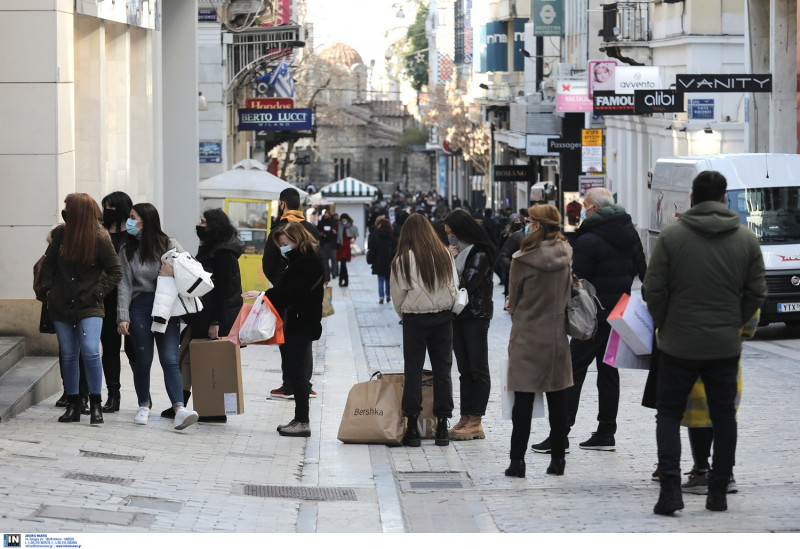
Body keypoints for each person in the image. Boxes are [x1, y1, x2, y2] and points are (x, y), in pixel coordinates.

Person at [643, 170, 766, 515]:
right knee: (724, 417)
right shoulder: (745, 240)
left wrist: (667, 323)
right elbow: (757, 292)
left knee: (667, 414)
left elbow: (653, 290)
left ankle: (670, 490)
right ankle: (718, 492)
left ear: (692, 199)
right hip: (723, 346)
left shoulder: (671, 237)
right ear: (724, 199)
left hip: (677, 345)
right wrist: (735, 325)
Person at [530, 187, 646, 454]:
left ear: (594, 208)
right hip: (619, 313)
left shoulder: (589, 240)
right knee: (608, 372)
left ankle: (560, 434)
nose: (582, 209)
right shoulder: (631, 235)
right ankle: (606, 432)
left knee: (571, 372)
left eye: (585, 205)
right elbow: (644, 272)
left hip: (591, 317)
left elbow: (574, 279)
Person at [503, 205, 573, 478]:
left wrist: (512, 305)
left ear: (538, 225)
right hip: (556, 335)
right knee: (557, 399)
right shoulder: (566, 253)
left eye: (531, 221)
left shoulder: (523, 259)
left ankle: (517, 462)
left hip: (528, 335)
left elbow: (514, 299)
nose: (528, 224)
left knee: (522, 401)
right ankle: (558, 460)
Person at [40, 193, 122, 425]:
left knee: (90, 350)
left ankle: (96, 403)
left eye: (68, 207)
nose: (64, 211)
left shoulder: (100, 236)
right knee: (68, 354)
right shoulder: (61, 234)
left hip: (90, 304)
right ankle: (74, 404)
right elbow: (48, 264)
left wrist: (96, 293)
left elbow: (116, 272)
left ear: (79, 211)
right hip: (61, 303)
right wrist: (49, 289)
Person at [117, 203, 199, 430]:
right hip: (140, 306)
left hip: (168, 306)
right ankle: (144, 405)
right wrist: (122, 316)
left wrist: (173, 271)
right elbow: (124, 284)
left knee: (170, 359)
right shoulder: (127, 250)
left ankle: (179, 409)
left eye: (133, 218)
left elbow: (192, 269)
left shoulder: (169, 244)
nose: (129, 222)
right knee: (143, 359)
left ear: (147, 220)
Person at [161, 208, 244, 423]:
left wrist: (216, 322)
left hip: (213, 316)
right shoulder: (213, 248)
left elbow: (222, 291)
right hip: (203, 314)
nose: (199, 224)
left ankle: (210, 408)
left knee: (197, 360)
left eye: (203, 221)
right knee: (186, 359)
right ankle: (184, 405)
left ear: (214, 226)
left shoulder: (223, 253)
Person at [245, 222, 324, 437]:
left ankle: (302, 421)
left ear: (297, 240)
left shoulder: (307, 263)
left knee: (297, 373)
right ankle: (299, 419)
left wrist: (263, 295)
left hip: (302, 323)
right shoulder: (299, 261)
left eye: (286, 243)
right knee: (294, 371)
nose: (283, 247)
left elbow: (291, 293)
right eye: (281, 244)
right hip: (298, 322)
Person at [390, 213, 458, 447]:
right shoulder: (444, 256)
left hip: (415, 321)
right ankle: (442, 427)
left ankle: (412, 429)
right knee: (443, 371)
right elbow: (454, 286)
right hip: (442, 319)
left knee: (413, 371)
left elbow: (397, 296)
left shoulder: (402, 259)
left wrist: (406, 314)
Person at [262, 187, 322, 400]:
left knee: (288, 338)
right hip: (310, 297)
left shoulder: (280, 230)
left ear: (282, 204)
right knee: (304, 340)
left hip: (288, 296)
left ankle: (291, 385)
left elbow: (268, 263)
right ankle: (305, 383)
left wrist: (281, 284)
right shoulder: (311, 228)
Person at [443, 210, 496, 441]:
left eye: (452, 233)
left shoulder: (478, 252)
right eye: (447, 234)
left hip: (475, 315)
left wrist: (449, 262)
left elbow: (468, 282)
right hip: (458, 316)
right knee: (464, 369)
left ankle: (476, 420)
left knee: (478, 368)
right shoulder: (458, 252)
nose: (450, 238)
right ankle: (465, 417)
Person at [99, 191, 136, 413]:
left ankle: (144, 394)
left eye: (111, 207)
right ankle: (113, 395)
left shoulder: (133, 231)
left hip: (132, 300)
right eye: (105, 207)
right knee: (110, 349)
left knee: (135, 350)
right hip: (106, 299)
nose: (107, 212)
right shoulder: (101, 232)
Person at [367, 217, 398, 304]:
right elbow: (396, 246)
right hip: (389, 260)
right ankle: (388, 296)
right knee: (388, 279)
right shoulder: (391, 234)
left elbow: (371, 245)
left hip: (378, 260)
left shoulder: (375, 233)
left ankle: (381, 297)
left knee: (380, 279)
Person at [497, 214, 525, 297]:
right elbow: (502, 250)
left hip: (519, 262)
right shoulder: (505, 234)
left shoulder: (523, 234)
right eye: (516, 221)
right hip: (511, 262)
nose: (518, 222)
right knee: (508, 281)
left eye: (519, 220)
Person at [336, 213, 359, 287]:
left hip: (347, 247)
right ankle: (345, 281)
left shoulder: (351, 226)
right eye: (342, 219)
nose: (343, 221)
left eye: (344, 219)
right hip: (340, 246)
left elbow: (355, 235)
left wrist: (353, 238)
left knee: (343, 263)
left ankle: (342, 281)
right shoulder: (338, 225)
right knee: (343, 265)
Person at [317, 209, 339, 281]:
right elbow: (318, 231)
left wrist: (335, 232)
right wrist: (321, 234)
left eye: (327, 214)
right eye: (325, 214)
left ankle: (334, 273)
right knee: (325, 259)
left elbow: (338, 232)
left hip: (332, 243)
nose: (326, 215)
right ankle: (327, 273)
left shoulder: (334, 223)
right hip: (324, 243)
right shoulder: (321, 222)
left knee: (334, 259)